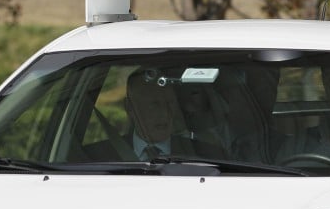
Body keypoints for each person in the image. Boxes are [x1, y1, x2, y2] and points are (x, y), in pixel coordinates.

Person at [83, 69, 224, 161]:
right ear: (130, 107)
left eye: (169, 103)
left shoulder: (207, 156)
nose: (164, 112)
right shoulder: (93, 158)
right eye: (154, 104)